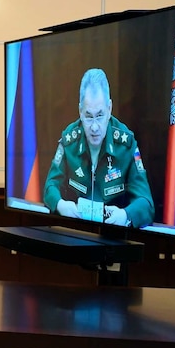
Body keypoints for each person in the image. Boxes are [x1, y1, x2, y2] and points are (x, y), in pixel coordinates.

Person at [43, 68, 154, 228]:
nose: (94, 127)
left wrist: (125, 215)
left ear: (109, 109)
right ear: (80, 111)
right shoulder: (69, 140)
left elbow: (146, 203)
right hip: (75, 233)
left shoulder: (126, 144)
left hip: (114, 238)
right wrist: (61, 205)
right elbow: (50, 186)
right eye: (88, 116)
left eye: (100, 115)